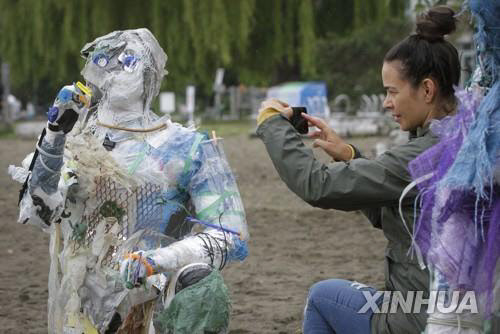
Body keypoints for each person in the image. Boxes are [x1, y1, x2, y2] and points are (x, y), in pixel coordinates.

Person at [9, 28, 248, 333]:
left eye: (128, 59)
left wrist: (158, 260)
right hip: (80, 303)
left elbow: (229, 234)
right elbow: (40, 210)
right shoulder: (78, 141)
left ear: (151, 73)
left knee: (203, 285)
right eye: (104, 59)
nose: (116, 68)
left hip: (152, 300)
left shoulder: (188, 148)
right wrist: (54, 135)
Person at [256, 6, 460, 334]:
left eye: (392, 91)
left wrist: (271, 125)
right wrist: (350, 155)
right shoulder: (466, 139)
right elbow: (396, 205)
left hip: (421, 315)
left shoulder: (424, 155)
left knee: (323, 296)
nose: (385, 102)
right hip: (465, 307)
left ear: (426, 89)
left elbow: (318, 186)